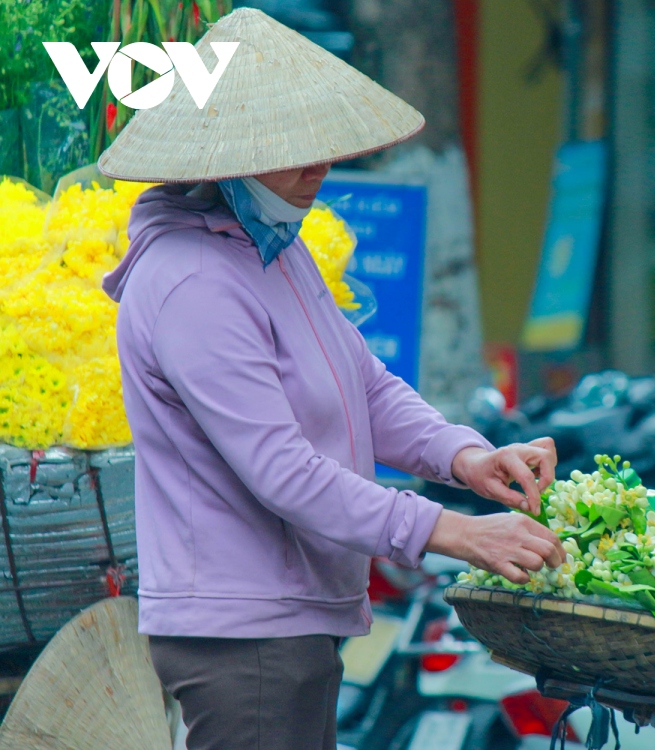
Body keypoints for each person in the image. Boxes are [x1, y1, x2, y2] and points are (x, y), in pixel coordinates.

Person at [97, 9, 563, 749]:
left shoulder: (277, 250)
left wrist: (464, 457)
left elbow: (366, 386)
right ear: (227, 159)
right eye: (292, 150)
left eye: (322, 146)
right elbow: (282, 472)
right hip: (243, 633)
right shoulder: (192, 281)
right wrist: (455, 533)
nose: (318, 165)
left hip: (296, 618)